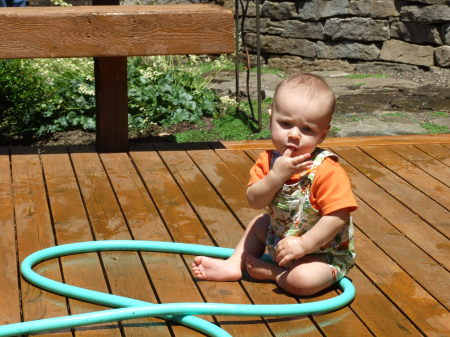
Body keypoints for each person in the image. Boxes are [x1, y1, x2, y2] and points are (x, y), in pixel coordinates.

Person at [192, 73, 357, 296]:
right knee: (259, 223)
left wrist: (305, 245)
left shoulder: (326, 170)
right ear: (271, 119)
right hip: (282, 242)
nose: (294, 135)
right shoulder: (268, 161)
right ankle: (233, 265)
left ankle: (274, 273)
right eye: (286, 124)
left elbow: (338, 216)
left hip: (322, 254)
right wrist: (275, 177)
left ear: (323, 134)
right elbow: (255, 201)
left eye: (307, 129)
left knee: (302, 280)